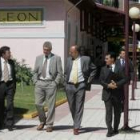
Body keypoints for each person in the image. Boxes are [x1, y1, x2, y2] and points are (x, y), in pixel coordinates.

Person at [65, 45, 96, 135]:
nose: (70, 53)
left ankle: (76, 126)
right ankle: (76, 122)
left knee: (79, 106)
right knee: (72, 106)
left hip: (81, 85)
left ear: (77, 52)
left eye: (71, 52)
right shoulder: (68, 60)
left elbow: (94, 69)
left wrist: (89, 80)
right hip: (69, 85)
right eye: (70, 52)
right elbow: (66, 72)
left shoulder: (86, 59)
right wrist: (65, 82)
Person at [33, 41, 63, 132]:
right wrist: (35, 81)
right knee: (38, 103)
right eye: (44, 49)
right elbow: (35, 71)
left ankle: (49, 124)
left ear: (50, 49)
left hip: (51, 83)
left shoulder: (56, 58)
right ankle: (42, 121)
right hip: (40, 83)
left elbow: (60, 72)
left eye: (47, 50)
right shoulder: (38, 58)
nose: (45, 51)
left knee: (51, 105)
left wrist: (55, 83)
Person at [99, 52, 128, 137]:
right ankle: (109, 130)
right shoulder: (103, 69)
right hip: (107, 94)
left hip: (117, 94)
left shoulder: (120, 68)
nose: (105, 60)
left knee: (117, 113)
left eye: (107, 58)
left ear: (112, 59)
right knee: (108, 113)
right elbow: (100, 80)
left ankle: (115, 129)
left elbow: (125, 79)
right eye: (105, 59)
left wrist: (117, 85)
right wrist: (108, 85)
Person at [0, 46, 16, 131]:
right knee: (1, 104)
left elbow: (14, 75)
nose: (10, 54)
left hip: (10, 84)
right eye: (8, 53)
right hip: (1, 84)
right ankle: (1, 122)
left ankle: (10, 124)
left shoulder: (11, 62)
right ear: (3, 54)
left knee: (10, 103)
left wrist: (14, 86)